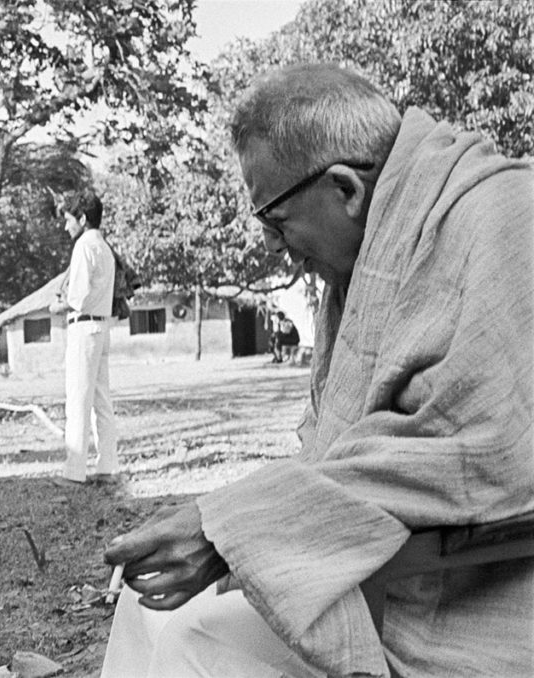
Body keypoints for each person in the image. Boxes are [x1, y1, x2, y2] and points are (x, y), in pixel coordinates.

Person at [101, 63, 533, 677]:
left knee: (195, 640)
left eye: (275, 223)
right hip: (383, 559)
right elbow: (340, 450)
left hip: (474, 595)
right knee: (143, 612)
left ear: (347, 190)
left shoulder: (503, 219)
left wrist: (235, 530)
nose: (276, 250)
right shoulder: (366, 254)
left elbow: (483, 454)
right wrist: (240, 525)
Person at [49, 188, 120, 485]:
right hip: (101, 327)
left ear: (82, 218)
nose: (67, 226)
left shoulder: (83, 247)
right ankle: (107, 467)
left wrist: (56, 305)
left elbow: (76, 296)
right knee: (101, 400)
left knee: (78, 398)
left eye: (69, 219)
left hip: (84, 327)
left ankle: (74, 472)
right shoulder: (104, 248)